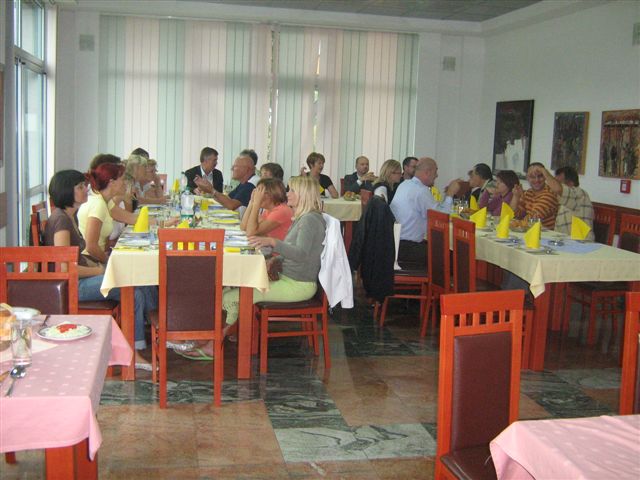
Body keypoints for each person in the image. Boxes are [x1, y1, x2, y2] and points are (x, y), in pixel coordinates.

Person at [180, 175, 326, 360]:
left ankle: (214, 345)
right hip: (288, 278)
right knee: (226, 293)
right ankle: (215, 337)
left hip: (298, 285)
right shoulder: (303, 218)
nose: (288, 193)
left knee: (232, 296)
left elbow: (302, 254)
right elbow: (297, 252)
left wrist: (273, 243)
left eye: (292, 191)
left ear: (303, 194)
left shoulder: (310, 220)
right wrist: (275, 259)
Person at [45, 169, 156, 369]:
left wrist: (99, 266)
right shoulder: (61, 220)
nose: (86, 189)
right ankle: (134, 351)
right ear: (67, 191)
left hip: (79, 279)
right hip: (72, 286)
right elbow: (64, 268)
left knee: (136, 282)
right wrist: (99, 271)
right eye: (80, 187)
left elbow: (77, 257)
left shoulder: (70, 216)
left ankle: (152, 333)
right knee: (131, 289)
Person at [390, 157, 460, 268]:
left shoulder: (405, 185)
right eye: (435, 172)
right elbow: (441, 218)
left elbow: (433, 211)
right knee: (457, 259)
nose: (437, 176)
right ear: (427, 172)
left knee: (445, 252)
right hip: (408, 248)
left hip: (395, 244)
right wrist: (450, 194)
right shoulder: (421, 191)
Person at [536, 165, 595, 240]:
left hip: (581, 243)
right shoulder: (564, 198)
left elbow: (557, 189)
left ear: (570, 183)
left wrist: (544, 171)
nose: (553, 186)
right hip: (563, 240)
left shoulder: (579, 194)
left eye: (558, 183)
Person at [512, 162, 559, 229]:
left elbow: (532, 219)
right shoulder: (528, 193)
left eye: (540, 176)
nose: (537, 180)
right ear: (527, 178)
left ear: (545, 177)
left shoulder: (550, 194)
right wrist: (516, 197)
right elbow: (515, 215)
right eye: (532, 177)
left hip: (545, 233)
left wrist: (515, 223)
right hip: (530, 230)